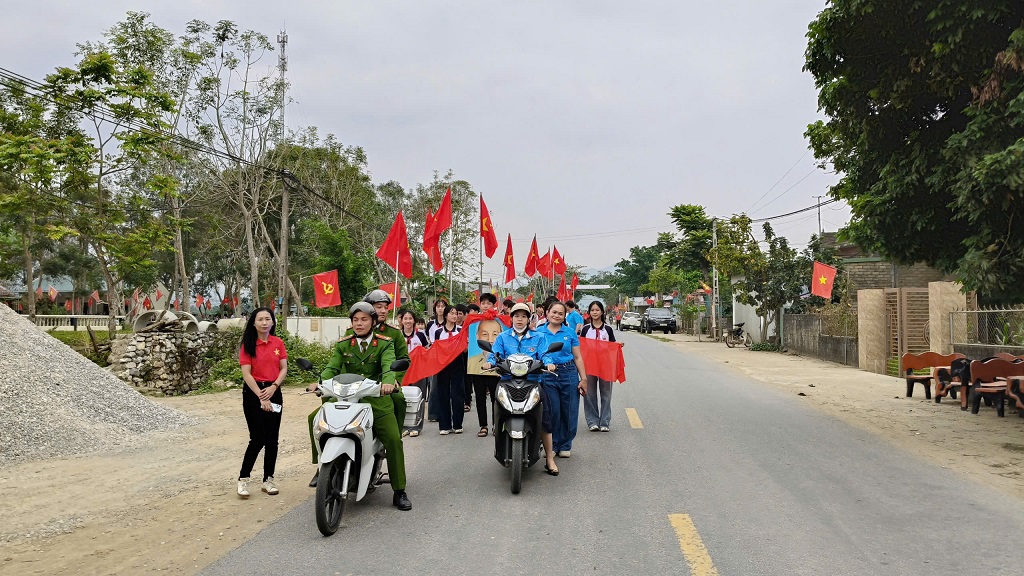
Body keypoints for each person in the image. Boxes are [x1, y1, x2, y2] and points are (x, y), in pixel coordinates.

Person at [307, 302, 412, 511]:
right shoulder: (344, 344)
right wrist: (319, 383)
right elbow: (332, 367)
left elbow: (389, 366)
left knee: (392, 438)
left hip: (375, 399)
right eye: (355, 320)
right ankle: (321, 467)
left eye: (364, 319)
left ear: (373, 322)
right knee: (315, 419)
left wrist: (389, 383)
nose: (359, 323)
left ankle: (399, 490)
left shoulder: (385, 343)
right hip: (347, 396)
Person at [483, 303, 560, 475]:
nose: (520, 319)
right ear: (511, 318)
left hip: (532, 381)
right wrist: (490, 362)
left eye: (523, 316)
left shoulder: (538, 337)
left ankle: (549, 458)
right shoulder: (503, 337)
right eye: (516, 316)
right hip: (507, 381)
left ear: (529, 318)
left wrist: (549, 363)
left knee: (545, 421)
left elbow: (545, 354)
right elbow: (494, 354)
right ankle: (498, 433)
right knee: (499, 409)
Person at [236, 307, 287, 499]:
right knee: (257, 438)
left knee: (272, 439)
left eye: (268, 319)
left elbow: (283, 368)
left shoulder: (278, 343)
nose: (264, 322)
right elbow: (246, 373)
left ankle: (268, 480)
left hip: (274, 391)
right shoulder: (248, 345)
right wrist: (261, 396)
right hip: (253, 393)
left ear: (273, 322)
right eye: (260, 319)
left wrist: (274, 387)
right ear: (253, 323)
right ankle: (243, 479)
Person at [541, 301, 587, 458]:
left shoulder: (570, 333)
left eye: (560, 313)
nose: (556, 316)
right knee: (552, 411)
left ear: (564, 316)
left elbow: (578, 357)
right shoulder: (539, 332)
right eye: (554, 312)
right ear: (547, 313)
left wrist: (584, 378)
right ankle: (552, 444)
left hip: (568, 373)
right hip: (547, 375)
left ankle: (566, 444)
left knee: (569, 410)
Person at [581, 301, 618, 432]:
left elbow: (613, 346)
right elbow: (581, 348)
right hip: (589, 366)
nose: (595, 312)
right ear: (589, 313)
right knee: (589, 393)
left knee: (606, 394)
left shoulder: (608, 329)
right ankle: (592, 421)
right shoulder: (585, 329)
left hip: (605, 365)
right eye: (592, 310)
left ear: (602, 312)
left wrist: (619, 346)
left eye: (597, 310)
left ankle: (605, 422)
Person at [431, 303, 465, 434]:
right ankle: (444, 425)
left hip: (457, 363)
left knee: (457, 394)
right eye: (451, 313)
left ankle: (457, 424)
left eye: (456, 313)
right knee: (442, 393)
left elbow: (465, 349)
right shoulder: (439, 332)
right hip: (442, 364)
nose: (454, 316)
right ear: (445, 315)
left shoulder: (461, 330)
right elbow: (435, 349)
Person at [398, 308, 430, 437]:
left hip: (417, 371)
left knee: (418, 397)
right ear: (401, 320)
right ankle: (404, 425)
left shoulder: (420, 335)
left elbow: (427, 349)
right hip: (402, 371)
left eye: (410, 318)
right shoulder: (398, 335)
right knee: (402, 398)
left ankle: (417, 426)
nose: (408, 321)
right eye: (405, 318)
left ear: (414, 321)